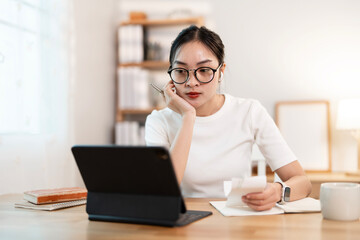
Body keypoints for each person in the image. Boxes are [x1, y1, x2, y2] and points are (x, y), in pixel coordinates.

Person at [145, 25, 311, 211]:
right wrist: (188, 116)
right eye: (181, 71)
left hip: (238, 219)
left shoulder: (249, 111)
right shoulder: (158, 121)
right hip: (185, 219)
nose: (191, 82)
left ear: (221, 71)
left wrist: (278, 191)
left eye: (204, 70)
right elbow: (163, 190)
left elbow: (303, 183)